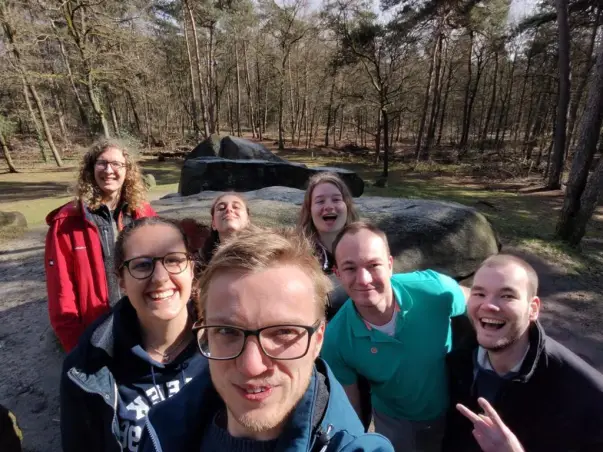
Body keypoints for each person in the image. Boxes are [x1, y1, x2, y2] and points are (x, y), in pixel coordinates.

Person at [138, 228, 394, 452]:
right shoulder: (161, 431)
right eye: (227, 331)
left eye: (283, 332)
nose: (252, 366)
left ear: (318, 340)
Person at [60, 217, 208, 452]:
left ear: (191, 269)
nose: (160, 278)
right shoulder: (86, 367)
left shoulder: (230, 344)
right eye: (142, 265)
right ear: (121, 281)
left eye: (174, 260)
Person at [321, 221, 467, 452]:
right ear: (337, 273)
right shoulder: (335, 339)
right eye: (350, 268)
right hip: (394, 423)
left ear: (390, 265)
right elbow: (351, 407)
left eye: (373, 265)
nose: (363, 279)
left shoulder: (436, 291)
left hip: (454, 408)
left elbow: (480, 306)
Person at [443, 254, 603, 452]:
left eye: (507, 296)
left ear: (533, 309)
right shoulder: (454, 358)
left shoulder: (585, 394)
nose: (488, 305)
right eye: (479, 294)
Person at [45, 139, 156, 352]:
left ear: (128, 171)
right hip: (97, 330)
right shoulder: (66, 222)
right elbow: (61, 291)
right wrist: (76, 346)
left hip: (144, 324)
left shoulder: (143, 214)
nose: (109, 170)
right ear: (90, 168)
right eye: (102, 163)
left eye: (117, 164)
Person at [298, 172, 360, 275]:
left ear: (347, 206)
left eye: (336, 199)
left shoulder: (364, 248)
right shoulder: (298, 255)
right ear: (309, 210)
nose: (329, 206)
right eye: (320, 201)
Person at [199, 192, 251, 266]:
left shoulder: (266, 255)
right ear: (213, 224)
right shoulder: (201, 264)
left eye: (236, 207)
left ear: (248, 221)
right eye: (221, 208)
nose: (229, 209)